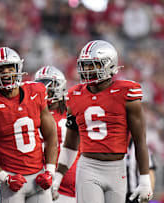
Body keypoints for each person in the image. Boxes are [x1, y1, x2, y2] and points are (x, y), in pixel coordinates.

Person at [53, 40, 153, 203]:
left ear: (109, 65)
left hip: (117, 169)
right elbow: (71, 143)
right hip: (88, 167)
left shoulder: (126, 93)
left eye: (92, 65)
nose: (87, 70)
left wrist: (144, 180)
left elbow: (139, 140)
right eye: (85, 65)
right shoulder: (74, 95)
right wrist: (58, 177)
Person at [0, 47, 58, 203]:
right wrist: (4, 177)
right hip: (11, 181)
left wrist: (50, 171)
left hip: (39, 177)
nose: (5, 73)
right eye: (0, 69)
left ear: (18, 68)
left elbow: (51, 135)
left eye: (9, 68)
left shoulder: (36, 91)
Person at [34, 66, 78, 203]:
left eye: (49, 84)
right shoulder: (33, 113)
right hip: (42, 177)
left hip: (71, 176)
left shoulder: (72, 109)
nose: (46, 89)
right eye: (41, 84)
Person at [126, 138, 156, 203]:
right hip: (117, 192)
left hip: (135, 194)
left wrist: (146, 197)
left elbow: (150, 173)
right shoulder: (115, 143)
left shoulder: (140, 146)